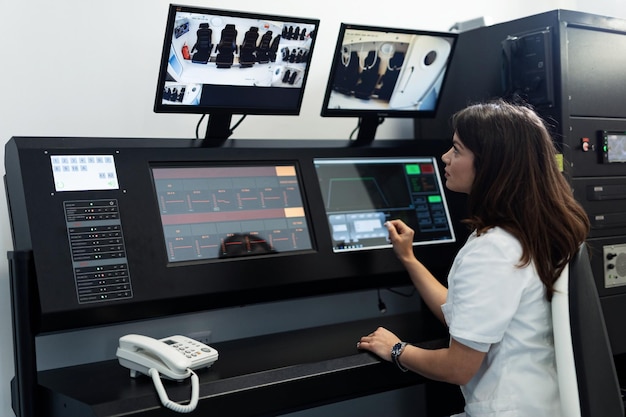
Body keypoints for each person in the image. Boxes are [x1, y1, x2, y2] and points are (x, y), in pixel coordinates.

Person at [357, 99, 590, 416]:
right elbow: (466, 316)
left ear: (491, 164)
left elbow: (458, 368)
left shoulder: (491, 249)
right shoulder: (545, 231)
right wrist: (409, 259)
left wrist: (397, 349)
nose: (445, 157)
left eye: (457, 149)